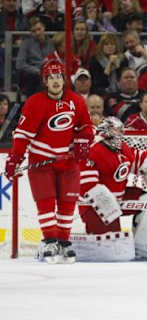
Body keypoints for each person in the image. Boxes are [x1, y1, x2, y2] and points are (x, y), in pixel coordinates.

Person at [4, 61, 94, 264]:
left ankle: (63, 241)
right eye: (51, 77)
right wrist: (14, 159)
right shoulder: (35, 102)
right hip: (41, 161)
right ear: (45, 81)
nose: (55, 81)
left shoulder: (76, 101)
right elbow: (22, 135)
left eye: (58, 76)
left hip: (68, 162)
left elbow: (86, 126)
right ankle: (50, 240)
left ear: (64, 79)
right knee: (46, 201)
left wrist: (83, 140)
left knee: (67, 202)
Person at [77, 116, 147, 261]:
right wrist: (109, 205)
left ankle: (142, 244)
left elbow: (137, 159)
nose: (120, 134)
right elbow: (88, 188)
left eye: (121, 130)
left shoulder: (123, 149)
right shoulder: (93, 151)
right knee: (112, 251)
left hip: (119, 200)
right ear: (106, 131)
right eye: (116, 130)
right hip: (95, 208)